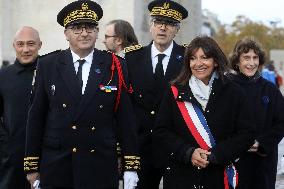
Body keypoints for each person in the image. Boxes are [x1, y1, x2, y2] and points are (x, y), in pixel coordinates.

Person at [24, 1, 140, 189]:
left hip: (100, 164)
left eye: (90, 28)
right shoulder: (48, 64)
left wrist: (131, 167)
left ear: (97, 32)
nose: (85, 33)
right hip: (57, 165)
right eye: (77, 28)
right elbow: (36, 117)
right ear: (66, 34)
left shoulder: (115, 65)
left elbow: (126, 119)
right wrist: (31, 167)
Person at [153, 36, 255, 189]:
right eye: (193, 58)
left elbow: (247, 133)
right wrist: (188, 152)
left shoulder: (234, 92)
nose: (198, 63)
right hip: (181, 177)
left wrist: (216, 155)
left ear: (215, 61)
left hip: (219, 177)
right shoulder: (174, 91)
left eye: (204, 58)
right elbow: (161, 131)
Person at [124, 0, 188, 188]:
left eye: (168, 24)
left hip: (175, 146)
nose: (162, 28)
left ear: (176, 29)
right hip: (142, 147)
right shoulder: (132, 58)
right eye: (158, 22)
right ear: (150, 26)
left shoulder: (187, 58)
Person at [229, 37, 284, 189]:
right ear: (237, 61)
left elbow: (281, 122)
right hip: (234, 161)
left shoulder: (270, 89)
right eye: (246, 58)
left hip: (263, 163)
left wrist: (262, 142)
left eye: (255, 58)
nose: (251, 63)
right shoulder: (226, 88)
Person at [0, 26, 42, 189]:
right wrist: (6, 143)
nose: (25, 49)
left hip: (47, 158)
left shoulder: (52, 73)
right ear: (14, 45)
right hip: (11, 160)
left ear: (40, 45)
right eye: (20, 44)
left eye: (31, 44)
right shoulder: (3, 76)